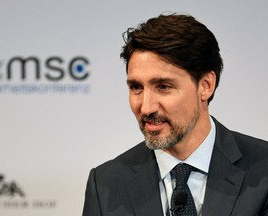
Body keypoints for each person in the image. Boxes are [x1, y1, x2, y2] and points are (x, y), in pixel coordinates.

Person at [82, 13, 268, 216]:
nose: (146, 108)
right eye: (136, 87)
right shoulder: (105, 185)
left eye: (163, 86)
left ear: (206, 86)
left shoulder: (263, 169)